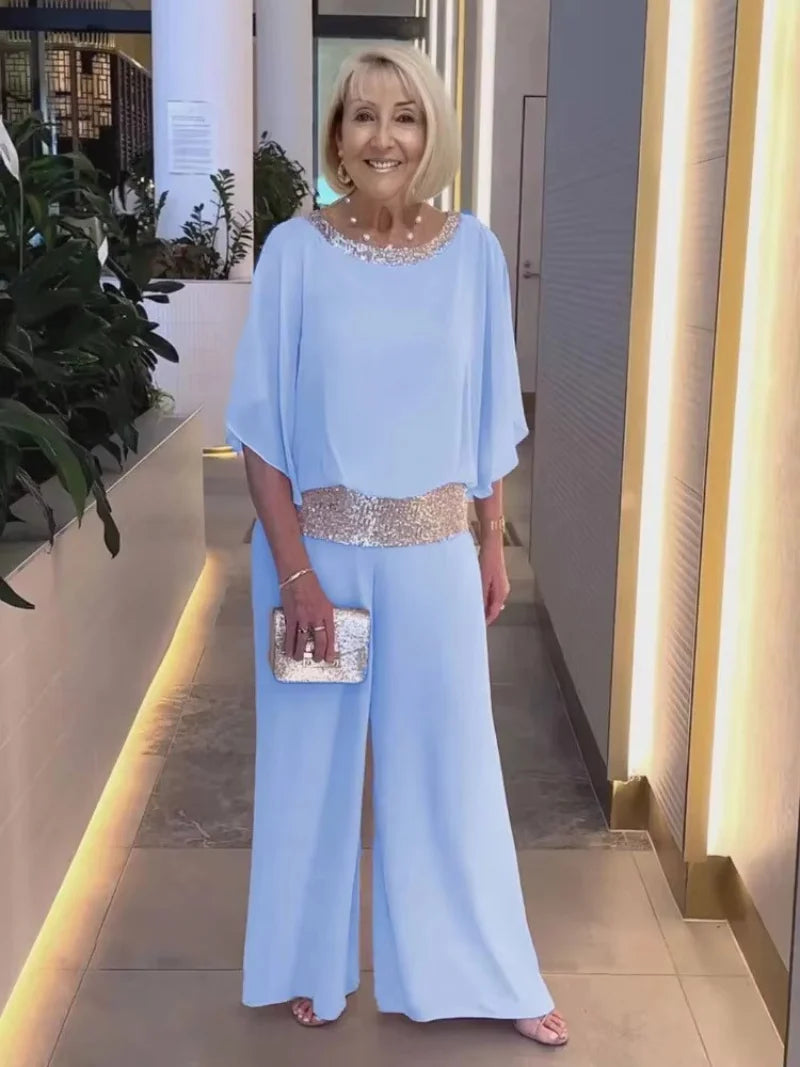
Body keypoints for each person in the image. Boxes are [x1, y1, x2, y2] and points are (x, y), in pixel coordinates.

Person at [225, 43, 569, 1049]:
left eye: (405, 115)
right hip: (316, 559)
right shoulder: (293, 253)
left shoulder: (473, 254)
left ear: (431, 133)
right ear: (337, 137)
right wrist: (296, 575)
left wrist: (490, 541)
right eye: (364, 116)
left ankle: (484, 970)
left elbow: (486, 413)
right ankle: (309, 959)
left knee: (449, 762)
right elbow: (260, 432)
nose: (385, 137)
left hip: (431, 554)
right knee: (310, 763)